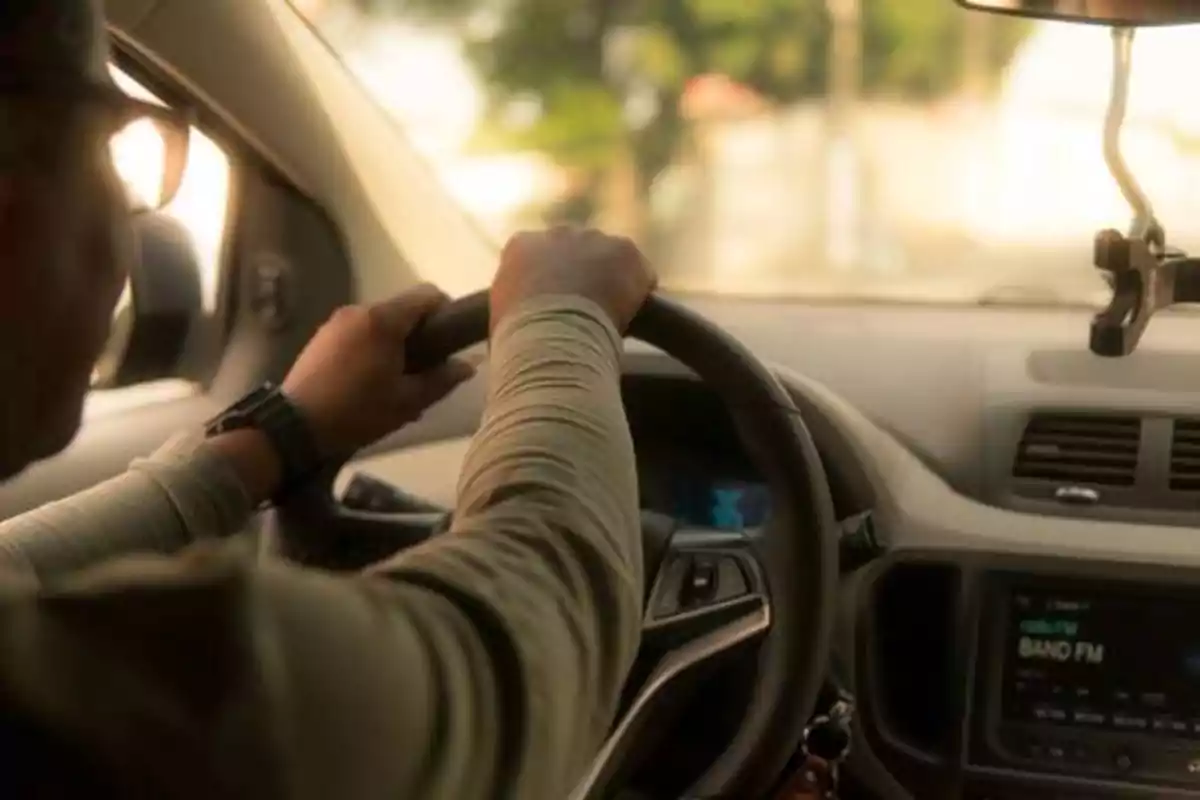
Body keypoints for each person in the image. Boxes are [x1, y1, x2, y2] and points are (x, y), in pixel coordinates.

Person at [0, 1, 654, 797]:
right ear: (15, 214)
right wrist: (561, 321)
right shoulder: (143, 700)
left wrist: (274, 438)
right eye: (115, 148)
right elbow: (513, 658)